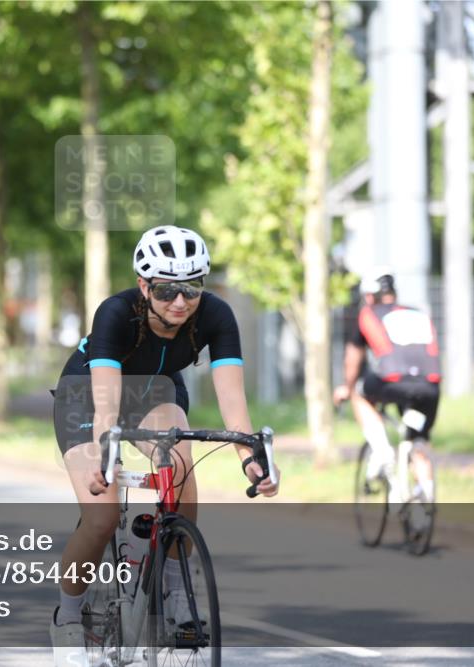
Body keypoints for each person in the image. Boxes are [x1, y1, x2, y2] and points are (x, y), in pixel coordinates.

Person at [49, 225, 280, 667]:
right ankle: (69, 617)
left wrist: (250, 458)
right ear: (143, 285)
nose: (180, 302)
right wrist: (105, 452)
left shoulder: (216, 315)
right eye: (166, 290)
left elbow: (233, 402)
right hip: (90, 392)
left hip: (156, 390)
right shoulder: (116, 313)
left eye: (191, 289)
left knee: (178, 459)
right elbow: (106, 404)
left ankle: (175, 589)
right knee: (99, 516)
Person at [333, 269, 441, 503]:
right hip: (430, 385)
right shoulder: (418, 313)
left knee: (359, 394)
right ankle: (426, 496)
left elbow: (353, 360)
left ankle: (382, 452)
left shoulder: (369, 313)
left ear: (370, 296)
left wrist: (345, 387)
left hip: (393, 381)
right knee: (418, 439)